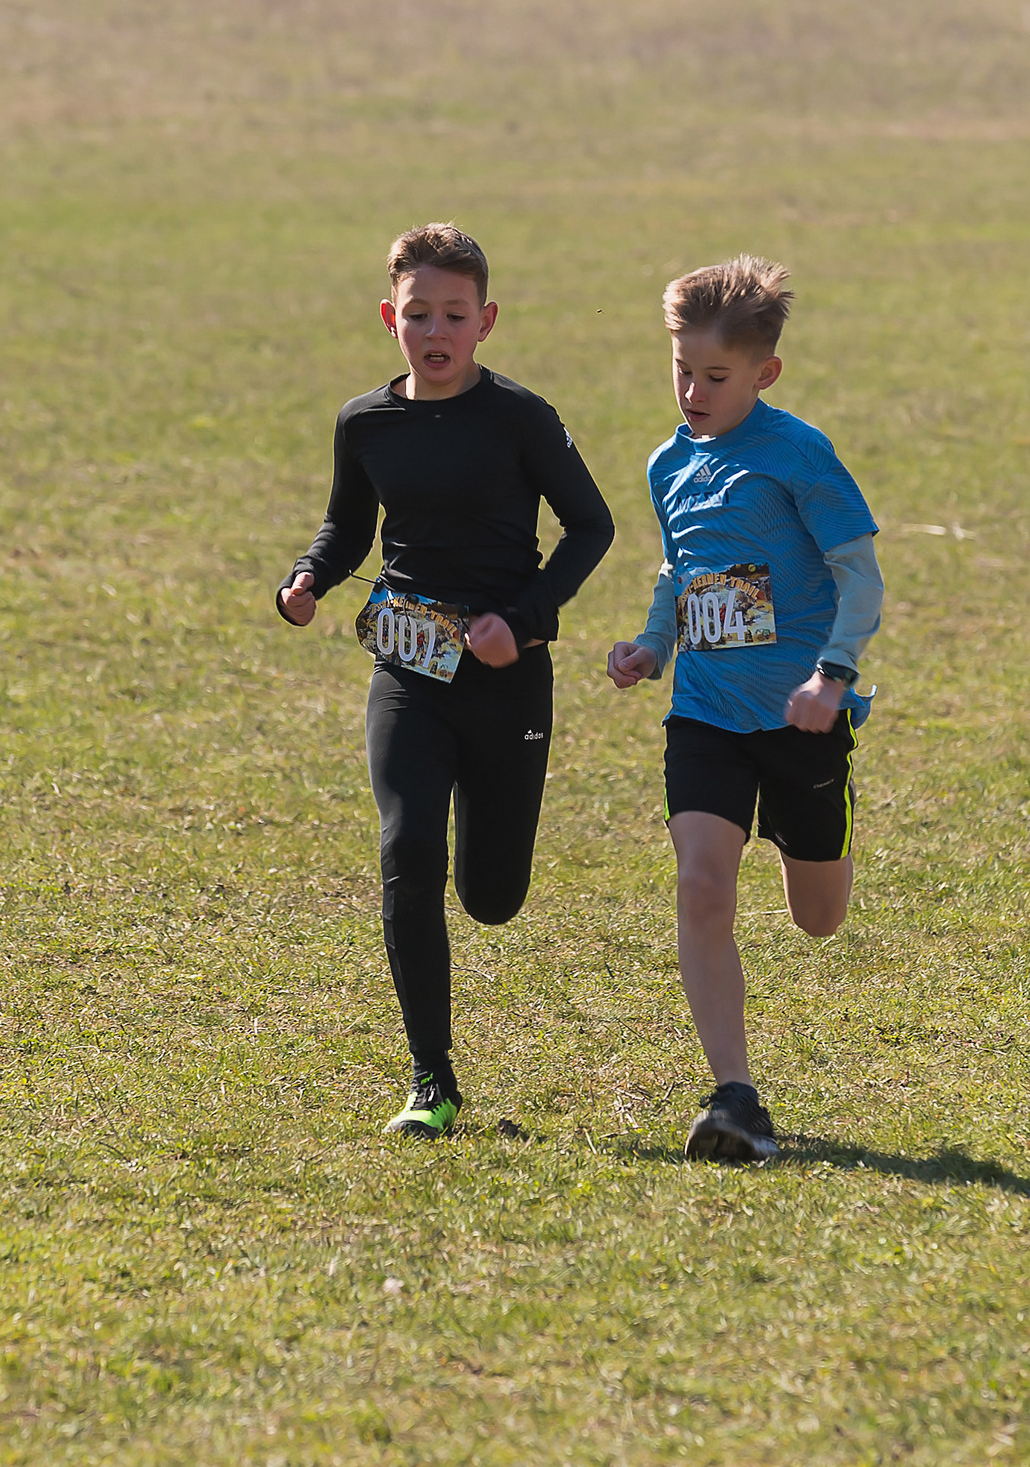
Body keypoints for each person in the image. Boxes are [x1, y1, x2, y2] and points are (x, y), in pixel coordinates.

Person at [276, 224, 614, 1139]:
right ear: (390, 316)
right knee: (407, 851)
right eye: (418, 312)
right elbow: (349, 527)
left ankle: (486, 867)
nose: (436, 330)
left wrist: (527, 618)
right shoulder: (365, 421)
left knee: (492, 895)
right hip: (409, 667)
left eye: (455, 315)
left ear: (486, 321)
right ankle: (432, 1078)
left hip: (508, 680)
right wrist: (307, 577)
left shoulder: (521, 418)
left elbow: (591, 526)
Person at [607, 256, 883, 1161]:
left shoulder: (800, 454)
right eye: (680, 368)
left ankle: (830, 818)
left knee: (818, 917)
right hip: (707, 714)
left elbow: (860, 575)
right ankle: (735, 1095)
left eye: (714, 376)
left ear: (764, 373)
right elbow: (679, 567)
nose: (692, 390)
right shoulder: (665, 463)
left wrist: (832, 677)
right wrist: (654, 644)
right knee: (700, 883)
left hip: (803, 719)